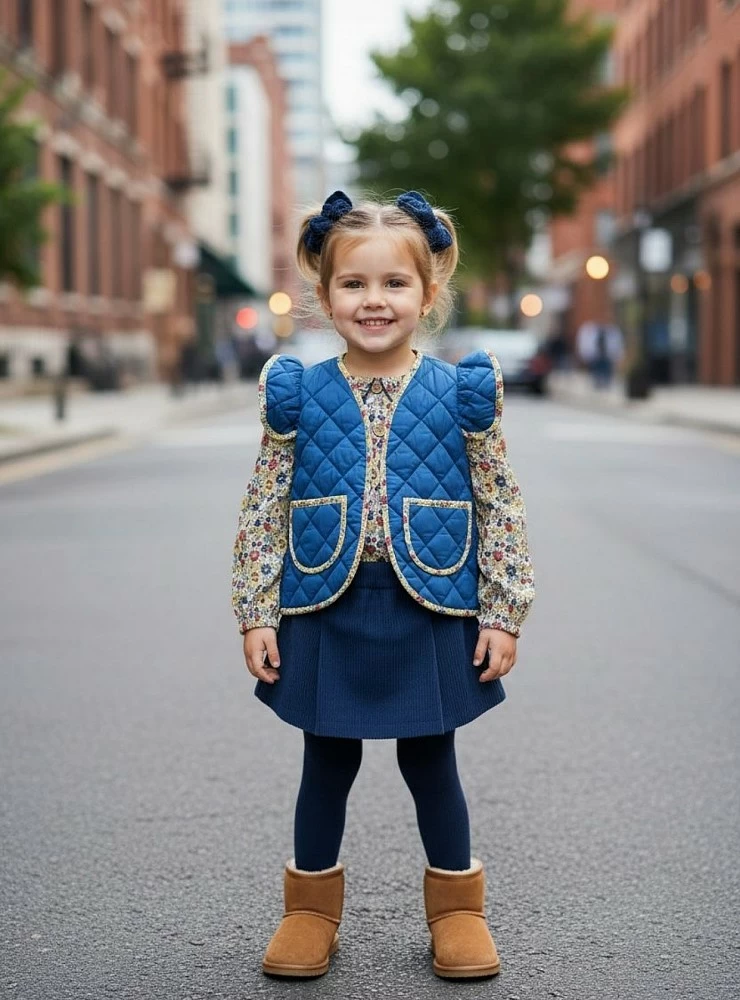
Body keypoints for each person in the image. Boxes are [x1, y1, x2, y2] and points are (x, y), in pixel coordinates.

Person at [232, 190, 535, 980]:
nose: (374, 301)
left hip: (429, 604)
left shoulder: (463, 392)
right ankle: (308, 911)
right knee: (324, 764)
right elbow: (266, 501)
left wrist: (502, 612)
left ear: (427, 294)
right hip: (325, 604)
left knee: (432, 762)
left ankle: (459, 912)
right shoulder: (295, 393)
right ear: (324, 296)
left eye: (394, 284)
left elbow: (498, 498)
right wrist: (255, 610)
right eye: (354, 285)